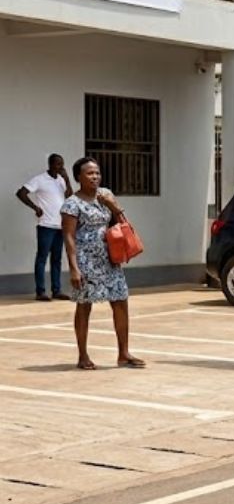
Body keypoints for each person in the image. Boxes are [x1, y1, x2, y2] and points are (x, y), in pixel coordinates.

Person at [61, 157, 145, 370]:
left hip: (110, 258)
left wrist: (113, 206)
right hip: (86, 261)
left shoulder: (106, 195)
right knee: (84, 305)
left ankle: (124, 354)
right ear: (78, 177)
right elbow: (69, 237)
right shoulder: (72, 203)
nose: (95, 177)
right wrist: (74, 268)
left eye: (97, 173)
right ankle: (83, 355)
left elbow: (123, 224)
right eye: (89, 173)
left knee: (120, 300)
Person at [16, 154, 74, 301]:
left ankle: (57, 290)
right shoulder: (40, 179)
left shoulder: (61, 180)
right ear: (50, 164)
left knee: (57, 259)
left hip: (60, 225)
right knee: (42, 258)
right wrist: (35, 207)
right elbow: (21, 193)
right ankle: (40, 292)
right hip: (46, 225)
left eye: (62, 164)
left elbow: (70, 197)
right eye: (57, 164)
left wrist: (66, 178)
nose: (60, 167)